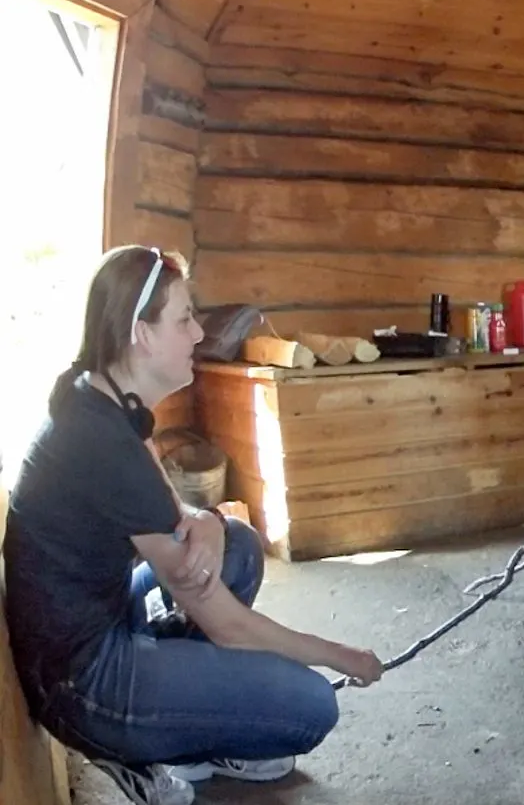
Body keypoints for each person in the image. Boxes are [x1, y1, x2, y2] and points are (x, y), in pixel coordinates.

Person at [3, 246, 384, 805]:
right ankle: (148, 746)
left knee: (238, 545)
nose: (200, 334)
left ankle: (195, 722)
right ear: (142, 334)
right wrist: (341, 655)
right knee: (311, 706)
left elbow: (167, 513)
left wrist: (205, 518)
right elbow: (229, 626)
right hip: (82, 683)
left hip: (100, 623)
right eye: (184, 318)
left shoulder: (105, 399)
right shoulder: (104, 441)